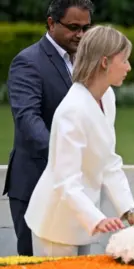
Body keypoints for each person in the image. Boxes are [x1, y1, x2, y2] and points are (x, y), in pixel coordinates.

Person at [24, 25, 134, 257]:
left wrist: (128, 209)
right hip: (56, 223)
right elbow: (65, 180)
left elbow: (109, 161)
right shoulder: (73, 110)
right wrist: (97, 219)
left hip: (84, 221)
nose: (128, 67)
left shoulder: (106, 97)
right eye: (124, 60)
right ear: (104, 62)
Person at [3, 0, 94, 256]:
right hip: (36, 182)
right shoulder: (28, 62)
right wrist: (66, 154)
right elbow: (28, 120)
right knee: (35, 261)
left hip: (78, 186)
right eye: (73, 27)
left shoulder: (87, 61)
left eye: (86, 28)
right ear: (51, 23)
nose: (81, 35)